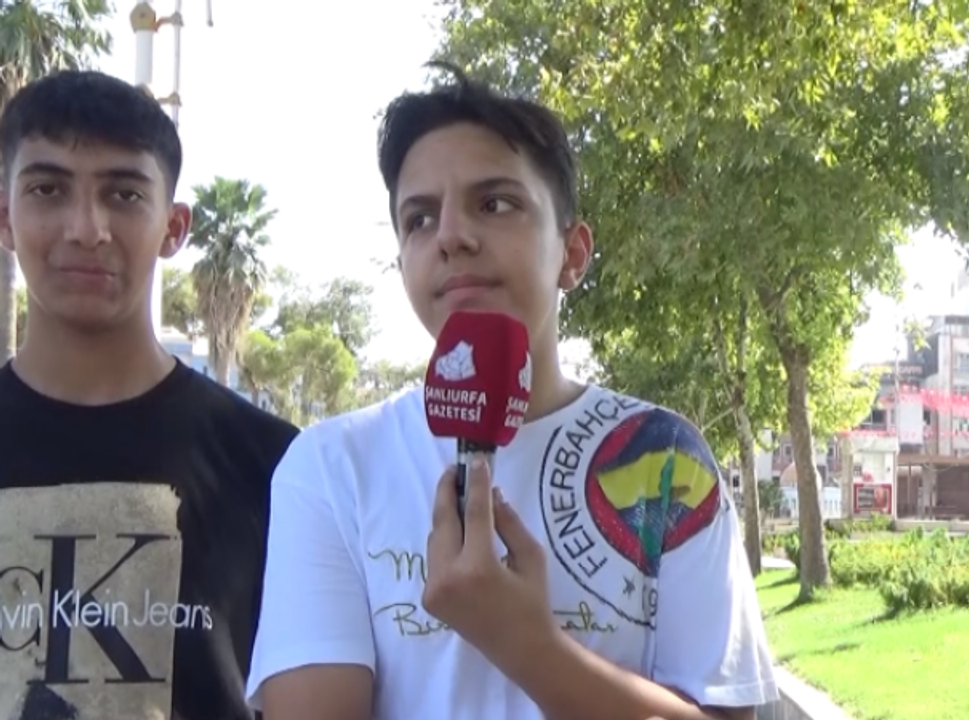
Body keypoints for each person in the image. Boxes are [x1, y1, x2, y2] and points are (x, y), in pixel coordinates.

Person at [246, 63, 778, 720]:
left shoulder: (664, 458)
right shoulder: (330, 468)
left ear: (572, 254)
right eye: (419, 219)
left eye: (495, 203)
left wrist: (526, 645)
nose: (451, 237)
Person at [0, 70, 299, 720]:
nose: (87, 228)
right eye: (48, 189)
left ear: (173, 227)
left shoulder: (280, 468)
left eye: (124, 194)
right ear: (5, 217)